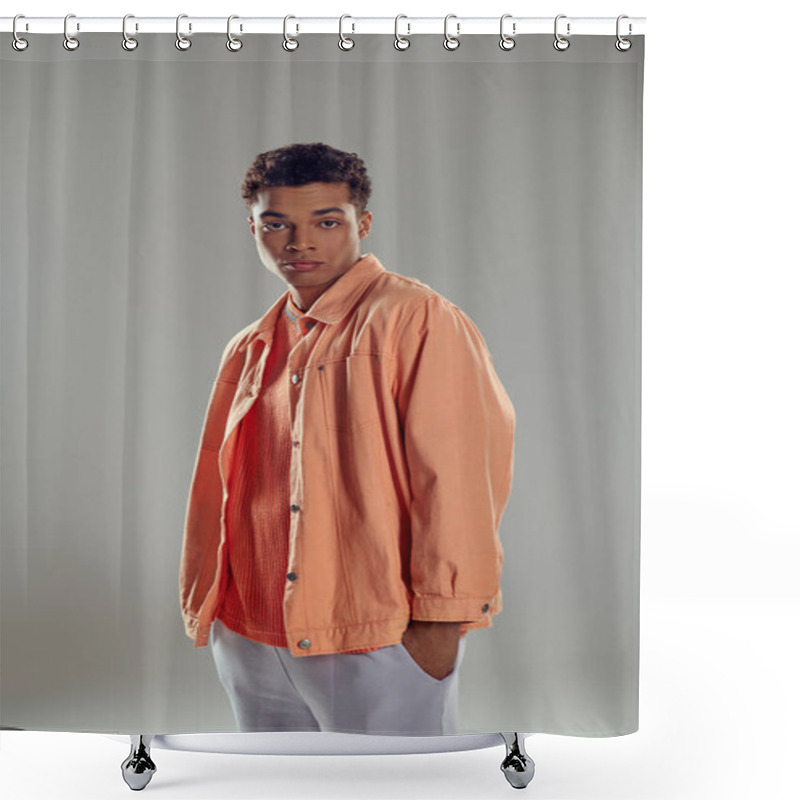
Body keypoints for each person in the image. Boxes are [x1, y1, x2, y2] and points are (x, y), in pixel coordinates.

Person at [179, 142, 515, 736]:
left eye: (326, 222)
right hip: (250, 635)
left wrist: (438, 627)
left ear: (362, 224)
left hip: (372, 635)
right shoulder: (251, 344)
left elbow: (459, 478)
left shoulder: (416, 318)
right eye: (276, 223)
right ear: (253, 228)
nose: (298, 242)